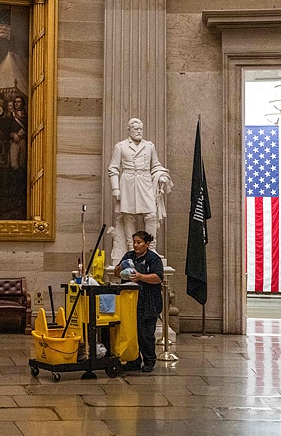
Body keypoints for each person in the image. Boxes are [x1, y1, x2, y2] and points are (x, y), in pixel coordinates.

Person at [108, 118, 173, 260]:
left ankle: (151, 249)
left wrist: (161, 175)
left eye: (140, 129)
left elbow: (155, 165)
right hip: (128, 183)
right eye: (136, 129)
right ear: (129, 130)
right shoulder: (121, 146)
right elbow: (113, 168)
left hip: (145, 183)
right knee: (128, 216)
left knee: (151, 215)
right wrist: (115, 188)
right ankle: (132, 248)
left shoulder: (149, 146)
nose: (139, 132)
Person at [113, 230, 163, 373]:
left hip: (148, 301)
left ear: (147, 244)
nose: (135, 245)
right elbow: (117, 273)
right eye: (134, 242)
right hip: (129, 301)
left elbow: (158, 277)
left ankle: (149, 360)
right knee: (131, 332)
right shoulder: (129, 256)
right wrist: (120, 267)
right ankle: (133, 360)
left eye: (139, 242)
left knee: (146, 334)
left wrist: (141, 276)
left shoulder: (154, 259)